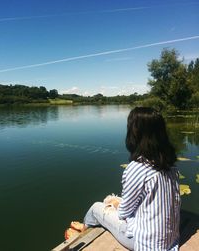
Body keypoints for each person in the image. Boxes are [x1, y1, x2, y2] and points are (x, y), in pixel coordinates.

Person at [67, 107, 181, 251]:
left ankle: (85, 228)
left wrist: (114, 203)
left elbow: (124, 213)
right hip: (170, 240)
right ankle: (90, 224)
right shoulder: (171, 165)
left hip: (144, 243)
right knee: (114, 201)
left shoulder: (137, 168)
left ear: (134, 134)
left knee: (96, 208)